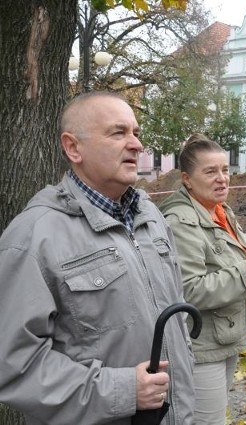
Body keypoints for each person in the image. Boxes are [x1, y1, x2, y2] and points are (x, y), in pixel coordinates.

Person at [0, 92, 195, 424]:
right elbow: (13, 365)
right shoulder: (33, 237)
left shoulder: (150, 215)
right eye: (118, 133)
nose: (136, 144)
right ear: (73, 148)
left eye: (135, 132)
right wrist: (122, 390)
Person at [159, 134, 246, 425]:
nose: (222, 178)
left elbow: (227, 266)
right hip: (200, 346)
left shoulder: (220, 212)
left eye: (225, 170)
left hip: (221, 339)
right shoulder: (181, 221)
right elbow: (190, 291)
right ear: (187, 179)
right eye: (210, 172)